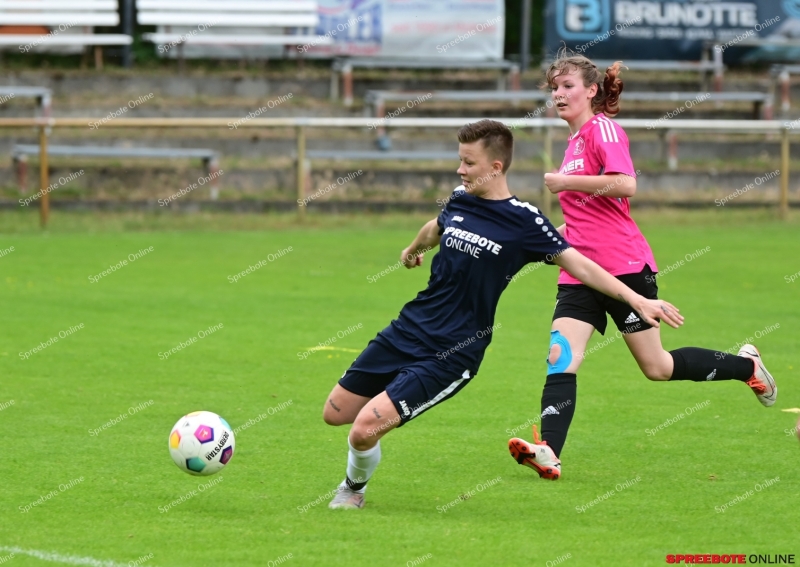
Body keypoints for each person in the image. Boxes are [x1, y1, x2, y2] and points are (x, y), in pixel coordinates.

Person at [321, 119, 684, 509]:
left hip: (453, 350)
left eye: (469, 163)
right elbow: (435, 227)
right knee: (335, 413)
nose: (460, 170)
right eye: (460, 161)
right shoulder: (460, 198)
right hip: (406, 329)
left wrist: (637, 299)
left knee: (363, 431)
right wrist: (412, 250)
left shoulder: (525, 222)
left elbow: (582, 267)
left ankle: (352, 489)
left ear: (495, 167)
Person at [507, 50, 778, 481]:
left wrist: (566, 182)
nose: (558, 94)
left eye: (567, 86)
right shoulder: (573, 143)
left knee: (658, 368)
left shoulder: (603, 129)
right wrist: (543, 240)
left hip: (625, 267)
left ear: (591, 91)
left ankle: (746, 367)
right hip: (580, 272)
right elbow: (581, 216)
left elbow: (626, 184)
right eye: (554, 87)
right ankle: (549, 452)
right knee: (561, 357)